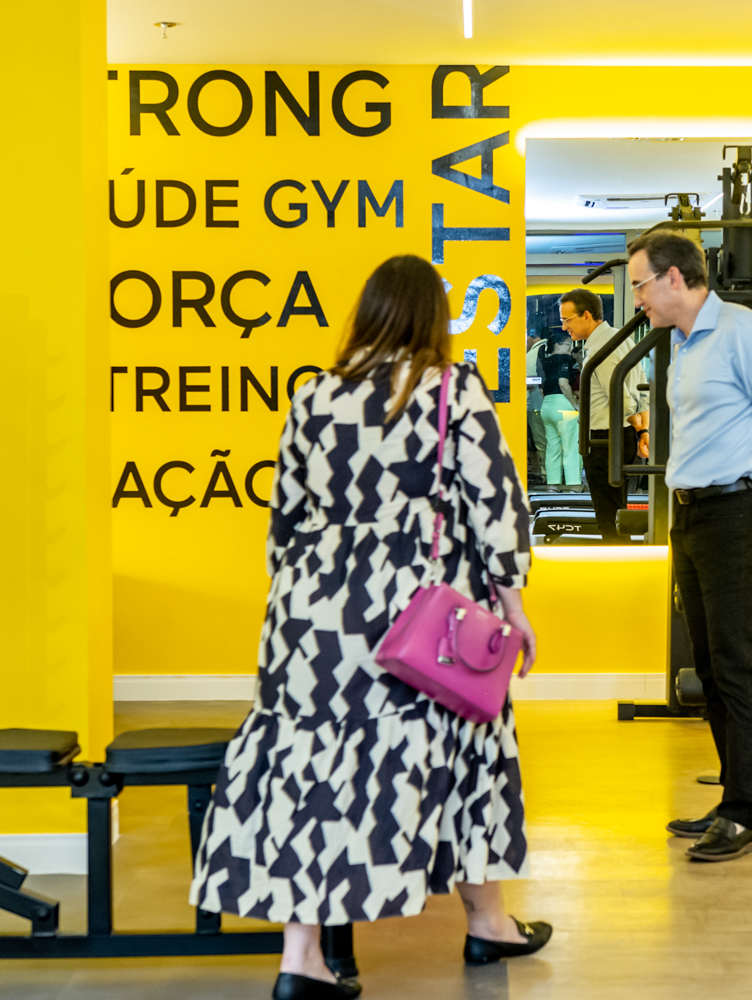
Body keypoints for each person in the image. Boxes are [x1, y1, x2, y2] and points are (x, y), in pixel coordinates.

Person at [190, 255, 551, 1000]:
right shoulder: (451, 390)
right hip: (420, 611)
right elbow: (495, 504)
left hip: (310, 610)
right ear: (431, 318)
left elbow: (286, 514)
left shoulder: (314, 394)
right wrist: (513, 604)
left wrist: (301, 597)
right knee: (471, 747)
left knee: (309, 767)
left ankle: (301, 958)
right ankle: (487, 923)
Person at [625, 230, 752, 864]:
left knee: (735, 665)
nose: (638, 299)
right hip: (692, 514)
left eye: (641, 285)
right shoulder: (683, 343)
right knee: (707, 667)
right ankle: (740, 796)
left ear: (674, 278)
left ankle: (744, 813)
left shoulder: (743, 333)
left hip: (735, 511)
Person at [560, 288, 649, 543]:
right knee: (616, 511)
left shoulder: (603, 347)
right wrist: (643, 429)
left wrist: (638, 425)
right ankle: (621, 557)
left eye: (567, 320)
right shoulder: (620, 338)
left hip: (606, 440)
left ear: (586, 315)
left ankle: (619, 562)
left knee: (609, 516)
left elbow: (621, 397)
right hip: (618, 437)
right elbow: (641, 387)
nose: (564, 327)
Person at [538, 331, 581, 486]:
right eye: (568, 344)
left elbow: (541, 388)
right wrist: (574, 404)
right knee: (571, 447)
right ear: (557, 345)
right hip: (564, 406)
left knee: (552, 448)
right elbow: (563, 383)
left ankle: (553, 485)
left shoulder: (545, 361)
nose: (571, 348)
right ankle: (574, 485)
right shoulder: (565, 359)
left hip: (547, 405)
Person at [525, 331, 546, 479]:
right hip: (560, 404)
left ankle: (546, 474)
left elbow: (529, 382)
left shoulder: (531, 355)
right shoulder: (550, 349)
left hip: (536, 406)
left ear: (529, 338)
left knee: (541, 442)